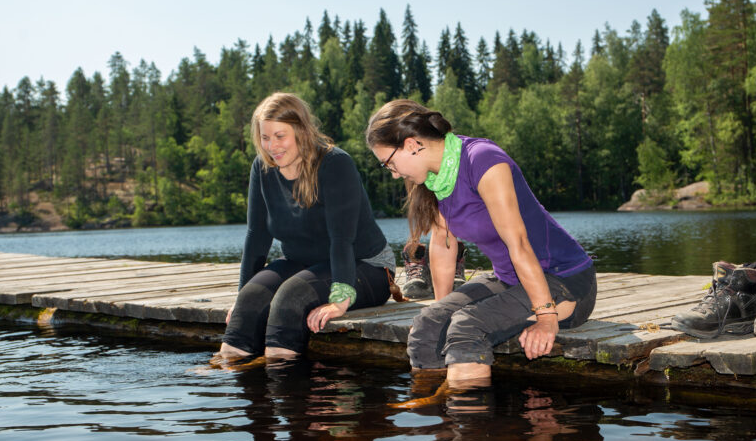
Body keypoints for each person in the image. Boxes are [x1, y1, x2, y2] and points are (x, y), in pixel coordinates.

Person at [366, 100, 597, 385]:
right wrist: (443, 310)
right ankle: (435, 416)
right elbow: (443, 244)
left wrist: (546, 319)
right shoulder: (436, 178)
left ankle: (470, 422)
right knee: (428, 323)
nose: (394, 173)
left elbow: (519, 244)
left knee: (467, 326)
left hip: (563, 280)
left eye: (389, 163)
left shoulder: (484, 160)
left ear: (412, 144)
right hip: (510, 280)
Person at [218, 92, 395, 361]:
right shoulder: (262, 168)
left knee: (291, 298)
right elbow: (257, 235)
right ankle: (226, 372)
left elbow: (341, 239)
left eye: (280, 136)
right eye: (265, 138)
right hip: (302, 263)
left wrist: (341, 298)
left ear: (301, 130)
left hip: (365, 266)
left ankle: (284, 388)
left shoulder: (335, 163)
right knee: (251, 299)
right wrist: (242, 296)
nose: (272, 146)